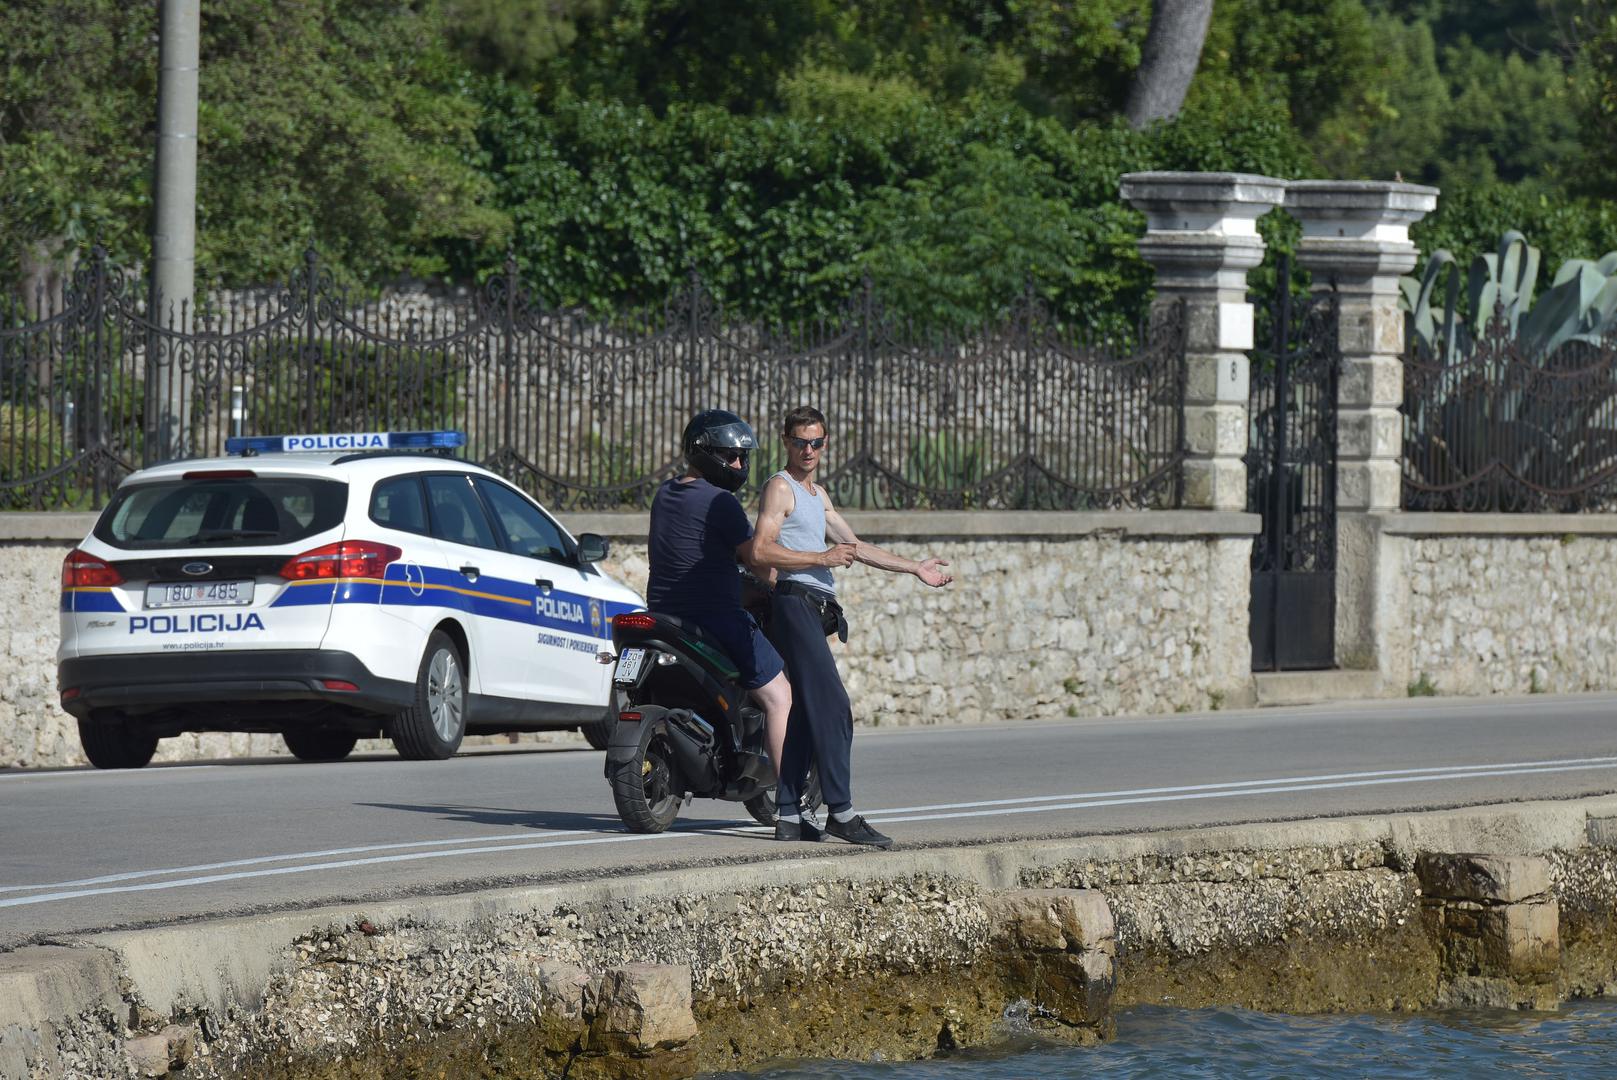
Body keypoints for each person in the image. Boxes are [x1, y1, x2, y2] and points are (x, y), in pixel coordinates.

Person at [752, 405, 954, 848]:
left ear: (825, 444)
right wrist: (819, 558)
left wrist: (914, 568)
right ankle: (841, 812)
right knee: (835, 708)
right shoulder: (779, 489)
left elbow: (856, 547)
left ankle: (788, 814)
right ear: (786, 442)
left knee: (807, 712)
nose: (809, 450)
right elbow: (762, 551)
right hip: (793, 605)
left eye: (817, 443)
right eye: (801, 442)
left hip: (812, 607)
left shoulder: (817, 495)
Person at [645, 409, 848, 780]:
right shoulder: (722, 503)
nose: (738, 464)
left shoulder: (665, 493)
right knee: (779, 696)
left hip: (663, 612)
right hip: (715, 616)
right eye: (730, 456)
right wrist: (784, 583)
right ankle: (791, 798)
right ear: (705, 453)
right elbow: (758, 561)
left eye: (742, 457)